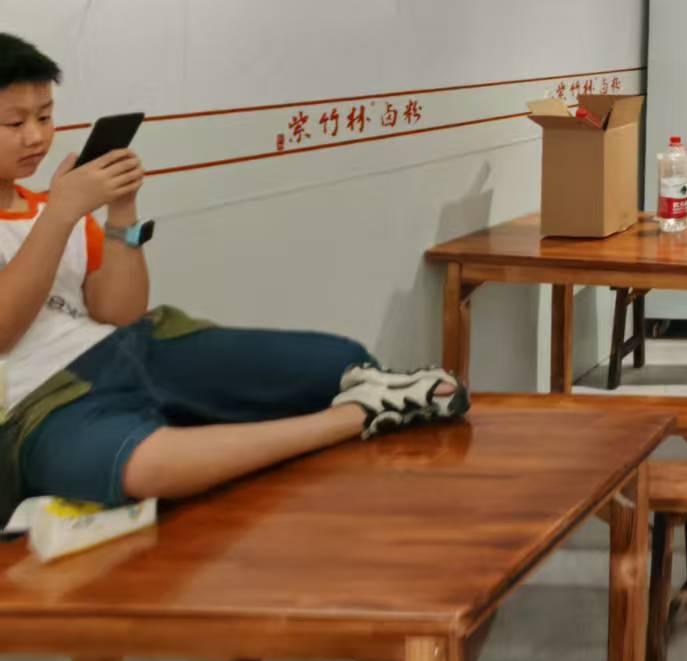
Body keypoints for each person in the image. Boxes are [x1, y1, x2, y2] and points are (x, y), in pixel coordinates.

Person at [0, 34, 466, 519]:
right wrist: (61, 214)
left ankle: (363, 402)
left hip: (136, 348)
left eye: (45, 117)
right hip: (39, 403)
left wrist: (122, 211)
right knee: (146, 469)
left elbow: (120, 312)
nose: (35, 137)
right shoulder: (59, 209)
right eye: (14, 122)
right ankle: (360, 415)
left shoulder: (54, 207)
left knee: (343, 362)